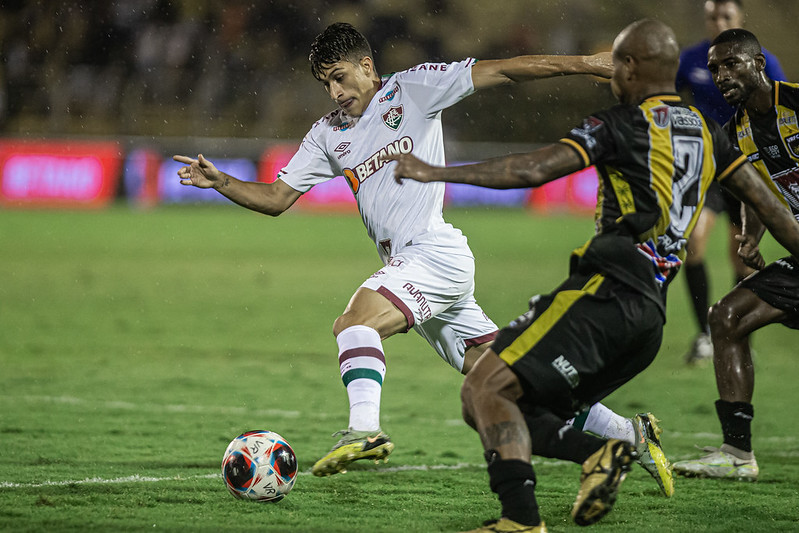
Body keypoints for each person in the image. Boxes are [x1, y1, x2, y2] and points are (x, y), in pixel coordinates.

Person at [173, 22, 668, 484]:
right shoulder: (328, 133)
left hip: (434, 253)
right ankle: (631, 434)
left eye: (340, 78)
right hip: (414, 266)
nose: (335, 92)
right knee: (511, 378)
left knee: (354, 324)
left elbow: (507, 69)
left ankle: (364, 430)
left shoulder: (413, 89)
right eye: (327, 84)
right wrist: (222, 182)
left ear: (367, 66)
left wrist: (586, 63)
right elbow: (277, 199)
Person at [385, 19, 799, 531]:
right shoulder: (711, 131)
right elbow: (774, 211)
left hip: (605, 295)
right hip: (649, 320)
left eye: (614, 63)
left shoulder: (620, 123)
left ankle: (532, 509)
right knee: (511, 401)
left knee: (483, 391)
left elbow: (533, 170)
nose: (609, 75)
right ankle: (605, 453)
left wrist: (436, 171)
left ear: (629, 67)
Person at [673, 29, 799, 482]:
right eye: (714, 69)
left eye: (731, 64)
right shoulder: (735, 133)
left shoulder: (796, 104)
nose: (721, 75)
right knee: (725, 317)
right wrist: (750, 235)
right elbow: (756, 191)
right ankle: (737, 454)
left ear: (758, 63)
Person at [675, 0, 786, 364]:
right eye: (712, 16)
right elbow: (671, 102)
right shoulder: (692, 60)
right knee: (693, 244)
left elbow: (777, 110)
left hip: (747, 168)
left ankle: (738, 332)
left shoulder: (763, 60)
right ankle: (704, 335)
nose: (718, 21)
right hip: (707, 169)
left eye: (726, 16)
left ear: (740, 19)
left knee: (740, 257)